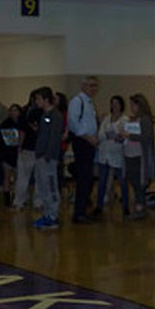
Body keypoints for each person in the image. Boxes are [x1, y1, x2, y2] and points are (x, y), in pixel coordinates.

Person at [68, 75, 100, 223]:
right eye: (90, 85)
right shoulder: (77, 102)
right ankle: (79, 213)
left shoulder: (89, 103)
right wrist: (88, 137)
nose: (93, 89)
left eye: (95, 86)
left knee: (87, 178)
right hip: (82, 142)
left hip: (89, 143)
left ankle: (82, 210)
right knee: (83, 177)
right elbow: (74, 124)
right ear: (83, 86)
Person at [92, 95, 129, 217]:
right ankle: (99, 205)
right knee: (102, 180)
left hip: (117, 153)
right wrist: (107, 136)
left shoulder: (125, 120)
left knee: (122, 181)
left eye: (117, 103)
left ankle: (126, 206)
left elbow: (126, 137)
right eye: (112, 103)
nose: (114, 106)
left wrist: (119, 137)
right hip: (105, 153)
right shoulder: (106, 119)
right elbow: (101, 134)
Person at [32, 86, 63, 230]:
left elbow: (54, 137)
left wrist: (48, 155)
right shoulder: (44, 115)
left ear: (45, 99)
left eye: (38, 99)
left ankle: (53, 216)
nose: (36, 101)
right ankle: (47, 214)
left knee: (51, 186)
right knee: (42, 187)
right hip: (40, 156)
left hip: (48, 158)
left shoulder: (55, 116)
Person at [122, 93, 155, 219]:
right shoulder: (132, 119)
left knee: (139, 183)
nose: (131, 107)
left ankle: (140, 209)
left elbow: (147, 137)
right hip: (130, 154)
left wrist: (130, 136)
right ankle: (137, 207)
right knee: (133, 182)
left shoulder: (145, 120)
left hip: (139, 156)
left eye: (133, 105)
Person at [12, 90, 42, 210]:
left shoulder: (24, 111)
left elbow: (22, 132)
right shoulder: (42, 112)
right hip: (38, 149)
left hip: (27, 149)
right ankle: (38, 202)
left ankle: (19, 201)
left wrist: (19, 146)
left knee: (22, 177)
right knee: (39, 178)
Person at [0, 103, 22, 205]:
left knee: (18, 176)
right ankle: (7, 198)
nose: (13, 112)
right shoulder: (5, 124)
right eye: (11, 110)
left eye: (15, 110)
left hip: (18, 153)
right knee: (7, 176)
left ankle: (17, 196)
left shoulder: (22, 123)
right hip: (7, 153)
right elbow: (5, 141)